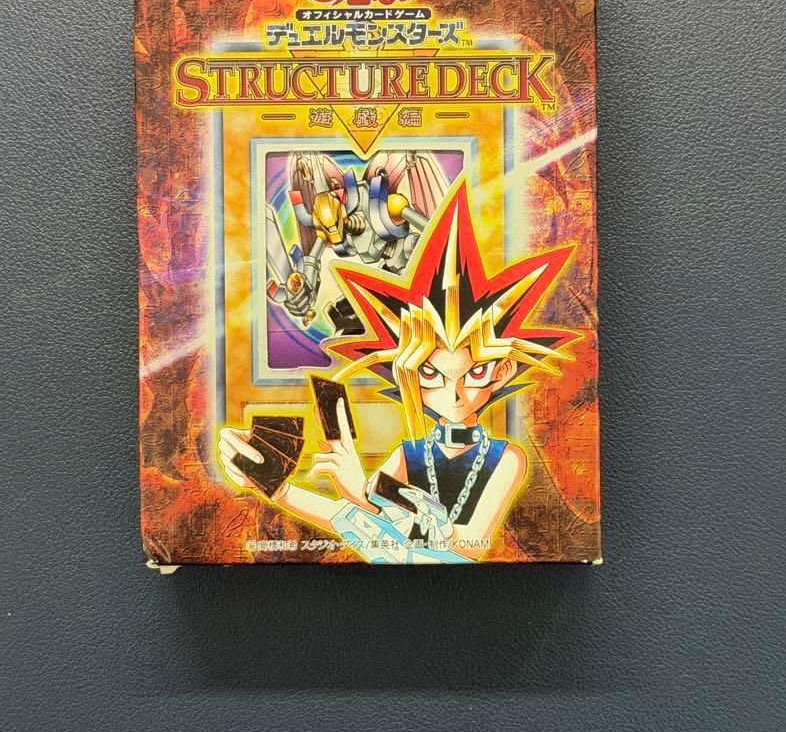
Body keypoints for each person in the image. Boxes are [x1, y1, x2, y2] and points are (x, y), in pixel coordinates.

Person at [218, 181, 581, 560]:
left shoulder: (507, 459)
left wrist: (368, 493)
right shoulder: (409, 455)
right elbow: (352, 520)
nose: (453, 394)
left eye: (473, 374)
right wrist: (274, 484)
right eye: (431, 375)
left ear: (501, 371)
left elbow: (467, 544)